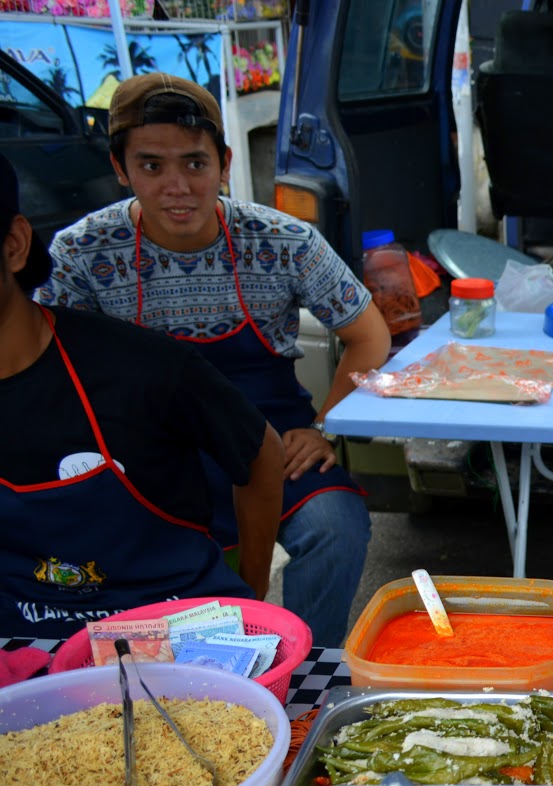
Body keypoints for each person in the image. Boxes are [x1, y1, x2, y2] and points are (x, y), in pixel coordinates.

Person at [37, 73, 390, 646]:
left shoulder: (282, 241)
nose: (178, 186)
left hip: (272, 438)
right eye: (152, 166)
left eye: (195, 164)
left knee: (336, 529)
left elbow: (369, 335)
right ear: (121, 169)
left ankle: (306, 669)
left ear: (224, 163)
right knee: (166, 581)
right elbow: (52, 364)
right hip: (149, 456)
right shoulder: (81, 252)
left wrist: (324, 426)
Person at [0, 152, 284, 638]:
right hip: (23, 647)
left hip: (179, 637)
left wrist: (250, 600)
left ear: (14, 245)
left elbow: (262, 453)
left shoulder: (139, 367)